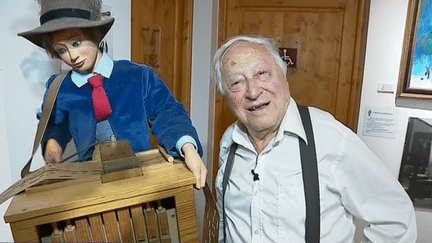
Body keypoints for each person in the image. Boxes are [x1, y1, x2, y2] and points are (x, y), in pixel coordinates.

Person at [212, 35, 417, 242]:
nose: (253, 91)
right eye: (236, 82)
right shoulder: (230, 141)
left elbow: (397, 219)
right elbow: (227, 223)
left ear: (283, 75)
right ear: (226, 96)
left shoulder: (331, 139)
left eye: (262, 73)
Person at [18, 0, 207, 189]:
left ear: (95, 34)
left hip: (141, 182)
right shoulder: (59, 89)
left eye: (76, 43)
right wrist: (53, 142)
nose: (72, 56)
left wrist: (187, 147)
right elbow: (54, 124)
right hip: (93, 189)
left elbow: (167, 112)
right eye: (61, 50)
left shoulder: (138, 75)